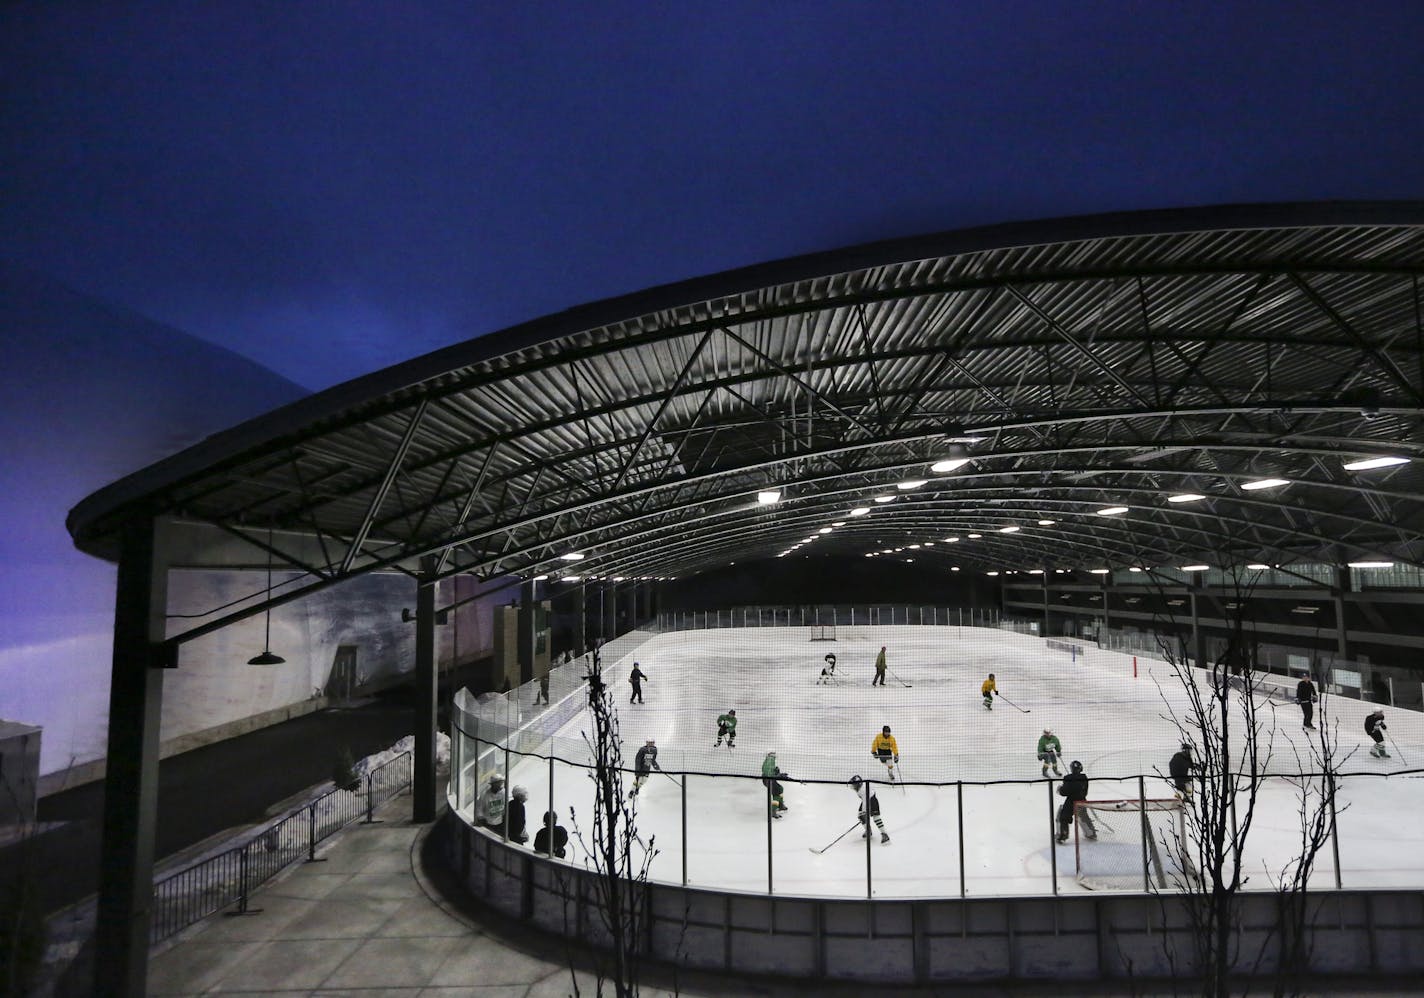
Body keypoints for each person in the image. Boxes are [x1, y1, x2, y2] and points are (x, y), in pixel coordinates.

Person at [1056, 760, 1097, 843]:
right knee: (1083, 816)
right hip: (1082, 800)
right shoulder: (1084, 778)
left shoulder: (1068, 778)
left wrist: (1060, 789)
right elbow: (1084, 792)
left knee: (1063, 816)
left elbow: (1064, 792)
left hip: (1071, 801)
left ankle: (1062, 834)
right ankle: (1090, 833)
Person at [849, 775, 890, 843]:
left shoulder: (862, 790)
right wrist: (863, 814)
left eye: (854, 785)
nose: (853, 786)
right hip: (867, 800)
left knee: (876, 817)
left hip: (872, 801)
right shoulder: (860, 789)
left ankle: (885, 834)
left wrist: (864, 812)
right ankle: (868, 831)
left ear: (858, 784)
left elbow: (865, 802)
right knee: (861, 816)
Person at [761, 751, 789, 816]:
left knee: (780, 788)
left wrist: (777, 772)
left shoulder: (770, 760)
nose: (774, 755)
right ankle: (773, 810)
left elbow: (769, 772)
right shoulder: (770, 760)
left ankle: (780, 804)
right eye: (773, 754)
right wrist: (779, 775)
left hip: (769, 779)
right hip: (768, 780)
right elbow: (769, 774)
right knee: (776, 792)